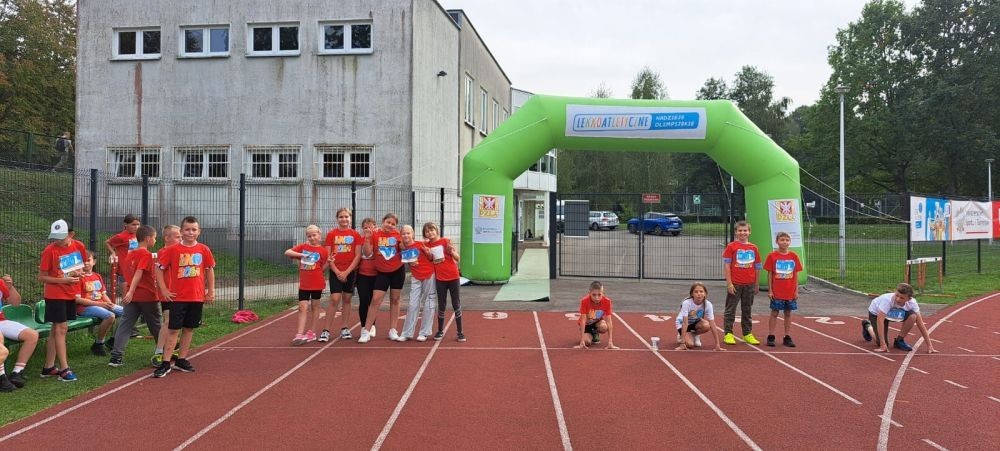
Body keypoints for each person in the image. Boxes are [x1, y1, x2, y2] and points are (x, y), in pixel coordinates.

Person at [153, 216, 215, 378]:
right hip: (178, 297)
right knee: (173, 329)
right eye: (187, 229)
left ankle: (181, 359)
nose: (190, 232)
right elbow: (159, 268)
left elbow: (209, 269)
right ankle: (166, 362)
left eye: (194, 229)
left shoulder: (204, 249)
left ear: (199, 231)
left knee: (189, 328)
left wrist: (211, 291)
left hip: (196, 297)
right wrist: (164, 289)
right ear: (181, 231)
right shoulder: (172, 250)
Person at [37, 219, 87, 381]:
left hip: (70, 293)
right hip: (55, 295)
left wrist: (78, 273)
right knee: (61, 328)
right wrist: (63, 281)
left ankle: (48, 367)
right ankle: (65, 368)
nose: (58, 241)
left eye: (62, 237)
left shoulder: (78, 246)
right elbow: (42, 277)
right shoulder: (49, 251)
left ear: (71, 234)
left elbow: (81, 266)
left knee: (55, 330)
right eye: (55, 237)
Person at [110, 225, 163, 367]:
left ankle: (116, 356)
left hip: (131, 297)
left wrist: (129, 292)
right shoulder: (145, 255)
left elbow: (129, 274)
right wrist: (133, 290)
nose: (156, 240)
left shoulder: (130, 254)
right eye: (155, 237)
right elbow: (139, 272)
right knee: (156, 324)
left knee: (125, 324)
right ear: (148, 238)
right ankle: (163, 351)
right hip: (147, 295)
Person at [359, 213, 405, 343]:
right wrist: (367, 239)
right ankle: (366, 331)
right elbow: (367, 253)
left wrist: (405, 241)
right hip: (382, 272)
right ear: (383, 221)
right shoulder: (375, 234)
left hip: (397, 270)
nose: (389, 225)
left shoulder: (397, 235)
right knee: (375, 300)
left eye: (393, 224)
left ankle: (393, 330)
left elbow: (403, 248)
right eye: (388, 222)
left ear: (395, 226)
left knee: (395, 300)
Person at [862, 283, 938, 354]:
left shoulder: (912, 303)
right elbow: (880, 320)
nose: (898, 299)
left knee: (913, 316)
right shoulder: (887, 300)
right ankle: (867, 325)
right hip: (876, 314)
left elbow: (920, 323)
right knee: (880, 342)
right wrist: (883, 344)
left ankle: (899, 340)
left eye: (902, 298)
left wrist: (929, 345)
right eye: (897, 295)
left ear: (909, 299)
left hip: (895, 313)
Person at [285, 225, 330, 345]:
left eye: (314, 235)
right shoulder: (303, 247)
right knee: (302, 307)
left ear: (319, 235)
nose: (312, 238)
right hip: (304, 284)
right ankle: (299, 334)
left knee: (315, 307)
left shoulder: (323, 251)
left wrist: (329, 263)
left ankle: (312, 332)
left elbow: (323, 268)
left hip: (317, 283)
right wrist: (302, 255)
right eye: (309, 236)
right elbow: (287, 252)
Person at [323, 208, 362, 341]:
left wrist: (347, 272)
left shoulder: (355, 235)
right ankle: (326, 330)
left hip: (350, 272)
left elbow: (357, 256)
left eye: (346, 217)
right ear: (337, 218)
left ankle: (345, 328)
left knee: (346, 299)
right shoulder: (331, 234)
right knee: (334, 299)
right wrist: (338, 272)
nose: (344, 219)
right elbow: (328, 255)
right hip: (336, 271)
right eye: (341, 217)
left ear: (350, 218)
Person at [75, 251, 124, 356]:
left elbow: (103, 295)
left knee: (127, 312)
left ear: (94, 262)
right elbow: (77, 300)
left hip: (101, 304)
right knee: (110, 316)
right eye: (83, 261)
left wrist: (110, 304)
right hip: (84, 308)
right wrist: (101, 305)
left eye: (88, 260)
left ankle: (113, 340)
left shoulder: (97, 276)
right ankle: (98, 344)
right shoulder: (78, 278)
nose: (86, 263)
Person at [722, 220, 762, 345]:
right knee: (730, 309)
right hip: (735, 284)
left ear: (749, 232)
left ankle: (747, 333)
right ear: (736, 232)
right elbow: (727, 266)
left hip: (749, 284)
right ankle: (728, 333)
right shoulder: (731, 247)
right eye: (740, 230)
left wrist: (756, 284)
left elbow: (757, 267)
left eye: (745, 230)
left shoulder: (754, 248)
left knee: (747, 309)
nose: (742, 233)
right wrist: (729, 283)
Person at [425, 222, 466, 342]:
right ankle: (440, 330)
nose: (430, 233)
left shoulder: (446, 241)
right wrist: (428, 253)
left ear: (436, 230)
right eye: (427, 231)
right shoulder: (427, 245)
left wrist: (451, 252)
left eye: (432, 230)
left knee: (456, 303)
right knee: (441, 304)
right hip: (440, 279)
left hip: (453, 277)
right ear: (425, 234)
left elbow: (457, 258)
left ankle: (460, 332)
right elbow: (430, 259)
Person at [764, 232, 803, 347]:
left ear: (789, 242)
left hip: (790, 291)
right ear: (777, 241)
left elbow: (795, 274)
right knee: (775, 312)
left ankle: (787, 336)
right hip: (777, 291)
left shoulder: (794, 256)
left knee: (788, 313)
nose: (784, 242)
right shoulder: (772, 256)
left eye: (787, 240)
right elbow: (770, 274)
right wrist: (770, 290)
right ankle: (771, 335)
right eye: (782, 240)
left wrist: (796, 290)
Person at [105, 214, 142, 337]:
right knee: (127, 299)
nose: (136, 227)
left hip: (135, 270)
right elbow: (108, 242)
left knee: (136, 298)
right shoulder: (121, 236)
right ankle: (124, 330)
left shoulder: (138, 236)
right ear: (125, 225)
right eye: (133, 224)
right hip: (124, 271)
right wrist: (113, 253)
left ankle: (132, 328)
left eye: (138, 224)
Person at [397, 225, 435, 342]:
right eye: (404, 233)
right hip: (416, 277)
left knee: (429, 302)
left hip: (429, 275)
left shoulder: (421, 244)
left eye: (408, 233)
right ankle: (407, 333)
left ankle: (424, 332)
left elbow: (432, 257)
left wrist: (428, 252)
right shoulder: (402, 247)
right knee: (412, 304)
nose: (406, 236)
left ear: (413, 234)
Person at [0, 273, 38, 390]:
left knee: (32, 335)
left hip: (1, 321)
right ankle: (1, 378)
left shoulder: (0, 282)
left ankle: (17, 372)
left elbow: (16, 303)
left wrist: (10, 287)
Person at [150, 224, 181, 366]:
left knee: (176, 322)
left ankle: (171, 347)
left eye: (181, 236)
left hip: (178, 293)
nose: (180, 238)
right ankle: (158, 352)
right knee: (168, 321)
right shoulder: (164, 252)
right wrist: (164, 289)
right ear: (167, 238)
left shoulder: (180, 251)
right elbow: (159, 271)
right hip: (167, 292)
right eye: (177, 236)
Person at [674, 282, 724, 351]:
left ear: (705, 293)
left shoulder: (708, 305)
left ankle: (694, 334)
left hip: (695, 322)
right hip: (682, 323)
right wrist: (682, 343)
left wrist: (717, 345)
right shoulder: (686, 303)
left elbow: (712, 323)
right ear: (692, 294)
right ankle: (681, 336)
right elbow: (685, 323)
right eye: (696, 292)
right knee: (690, 345)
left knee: (707, 325)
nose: (699, 294)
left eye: (701, 291)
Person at [574, 281, 617, 349]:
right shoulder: (584, 301)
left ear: (603, 293)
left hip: (597, 322)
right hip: (586, 324)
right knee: (587, 342)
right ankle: (589, 335)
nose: (597, 297)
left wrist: (610, 342)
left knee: (604, 327)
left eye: (599, 294)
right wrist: (582, 340)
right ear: (589, 293)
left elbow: (609, 321)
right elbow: (583, 320)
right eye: (594, 295)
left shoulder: (607, 301)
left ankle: (595, 333)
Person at [355, 218, 378, 339]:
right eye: (365, 227)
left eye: (370, 226)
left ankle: (372, 325)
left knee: (373, 301)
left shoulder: (379, 238)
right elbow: (366, 253)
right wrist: (367, 240)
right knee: (363, 300)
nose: (368, 229)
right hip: (362, 274)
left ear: (375, 227)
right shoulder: (360, 239)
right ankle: (364, 326)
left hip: (376, 274)